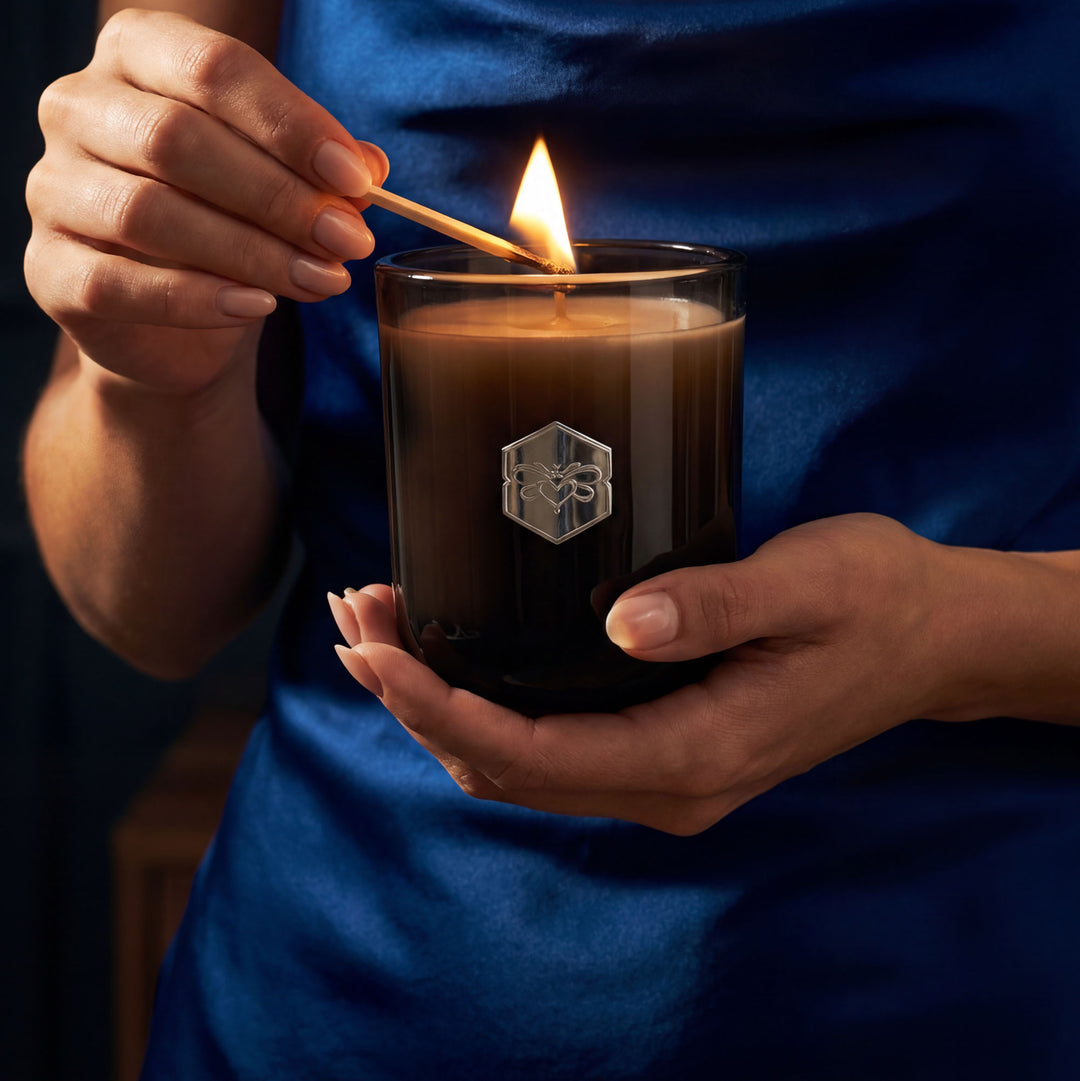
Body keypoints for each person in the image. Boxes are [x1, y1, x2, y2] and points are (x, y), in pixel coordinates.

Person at [22, 0, 1080, 1077]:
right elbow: (152, 615)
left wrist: (959, 636)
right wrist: (149, 375)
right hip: (355, 970)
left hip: (971, 978)